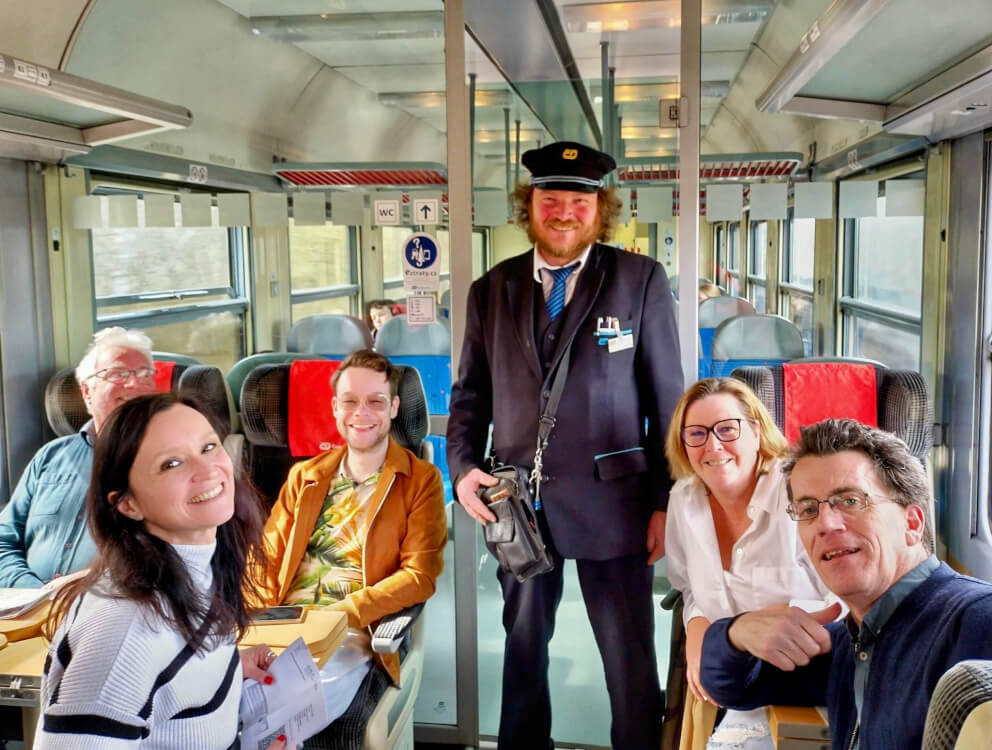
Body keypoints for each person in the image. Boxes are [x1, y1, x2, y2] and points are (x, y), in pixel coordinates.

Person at [447, 140, 683, 749]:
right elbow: (470, 395)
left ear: (600, 209)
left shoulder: (639, 281)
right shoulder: (491, 289)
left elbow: (668, 403)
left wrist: (666, 502)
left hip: (617, 500)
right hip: (519, 505)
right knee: (523, 652)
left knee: (629, 660)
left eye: (579, 201)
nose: (564, 212)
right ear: (529, 205)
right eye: (550, 198)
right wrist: (464, 467)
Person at [700, 419, 992, 750]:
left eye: (850, 501)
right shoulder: (847, 642)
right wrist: (736, 633)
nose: (825, 524)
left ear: (912, 523)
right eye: (808, 509)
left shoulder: (977, 621)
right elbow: (733, 687)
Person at [35, 393, 288, 749]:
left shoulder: (199, 567)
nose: (207, 470)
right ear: (128, 504)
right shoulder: (127, 629)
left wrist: (226, 668)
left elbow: (166, 681)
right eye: (171, 464)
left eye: (209, 447)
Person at [260, 349, 446, 749]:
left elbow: (419, 576)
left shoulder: (420, 480)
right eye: (350, 401)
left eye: (376, 401)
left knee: (281, 706)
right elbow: (266, 559)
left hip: (352, 630)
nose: (361, 413)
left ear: (394, 408)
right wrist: (257, 624)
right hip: (284, 625)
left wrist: (341, 614)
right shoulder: (305, 476)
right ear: (334, 408)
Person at [664, 378, 836, 747]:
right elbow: (688, 587)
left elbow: (847, 599)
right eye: (696, 434)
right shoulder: (683, 499)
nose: (713, 445)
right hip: (723, 679)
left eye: (727, 429)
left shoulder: (801, 493)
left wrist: (766, 625)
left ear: (756, 433)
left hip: (803, 678)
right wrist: (698, 628)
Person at [0, 327, 157, 587]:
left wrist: (73, 601)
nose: (134, 383)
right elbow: (4, 538)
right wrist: (31, 590)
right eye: (118, 374)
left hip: (108, 604)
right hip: (24, 603)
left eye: (144, 374)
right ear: (86, 392)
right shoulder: (50, 456)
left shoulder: (166, 463)